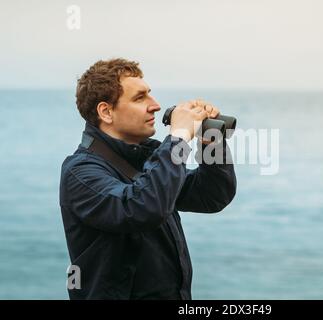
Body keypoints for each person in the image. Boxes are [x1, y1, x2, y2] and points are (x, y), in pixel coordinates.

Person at [59, 58, 237, 299]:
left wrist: (211, 138)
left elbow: (211, 196)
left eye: (150, 95)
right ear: (106, 111)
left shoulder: (147, 158)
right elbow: (141, 207)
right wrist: (180, 137)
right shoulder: (80, 172)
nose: (155, 106)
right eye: (139, 98)